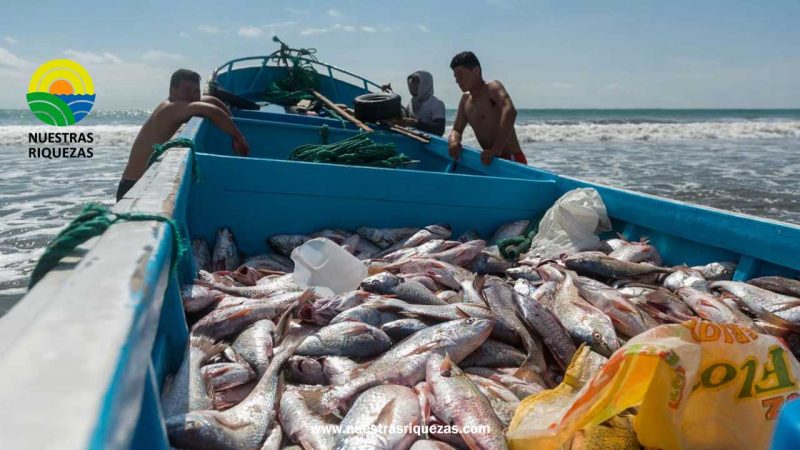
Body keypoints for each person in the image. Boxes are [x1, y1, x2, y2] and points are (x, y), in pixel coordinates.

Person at [116, 69, 250, 201]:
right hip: (133, 185)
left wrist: (230, 117)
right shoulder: (171, 107)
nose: (192, 96)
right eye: (186, 90)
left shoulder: (181, 103)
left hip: (143, 181)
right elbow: (211, 110)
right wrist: (238, 137)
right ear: (172, 91)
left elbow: (211, 100)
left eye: (196, 91)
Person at [447, 51, 527, 166]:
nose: (457, 80)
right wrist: (454, 141)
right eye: (455, 76)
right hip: (489, 160)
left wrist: (496, 149)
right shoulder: (465, 100)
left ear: (476, 70)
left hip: (511, 159)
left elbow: (510, 111)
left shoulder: (491, 88)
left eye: (460, 75)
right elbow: (457, 129)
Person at [401, 70, 446, 136]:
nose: (412, 84)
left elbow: (439, 129)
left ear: (425, 83)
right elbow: (403, 117)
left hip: (429, 143)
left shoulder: (436, 104)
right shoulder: (411, 102)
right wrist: (390, 94)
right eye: (412, 81)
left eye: (416, 82)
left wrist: (415, 123)